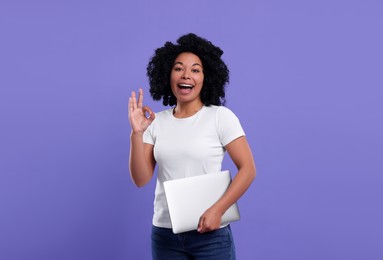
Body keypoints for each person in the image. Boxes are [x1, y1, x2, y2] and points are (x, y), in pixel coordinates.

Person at [128, 33, 256, 260]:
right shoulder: (155, 122)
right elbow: (141, 179)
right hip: (165, 234)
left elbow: (248, 170)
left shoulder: (220, 117)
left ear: (206, 78)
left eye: (195, 70)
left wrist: (218, 210)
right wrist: (137, 134)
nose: (186, 75)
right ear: (168, 74)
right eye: (178, 68)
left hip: (211, 234)